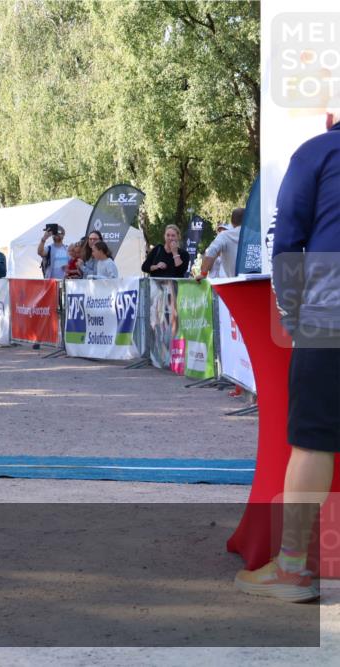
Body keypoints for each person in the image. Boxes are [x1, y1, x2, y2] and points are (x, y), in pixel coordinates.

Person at [234, 116, 340, 603]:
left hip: (329, 313)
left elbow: (288, 242)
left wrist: (296, 317)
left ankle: (293, 570)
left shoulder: (317, 152)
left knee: (313, 442)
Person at [198, 208, 244, 280]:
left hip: (233, 283)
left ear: (232, 222)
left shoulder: (224, 236)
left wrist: (203, 274)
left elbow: (211, 251)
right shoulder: (257, 234)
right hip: (257, 282)